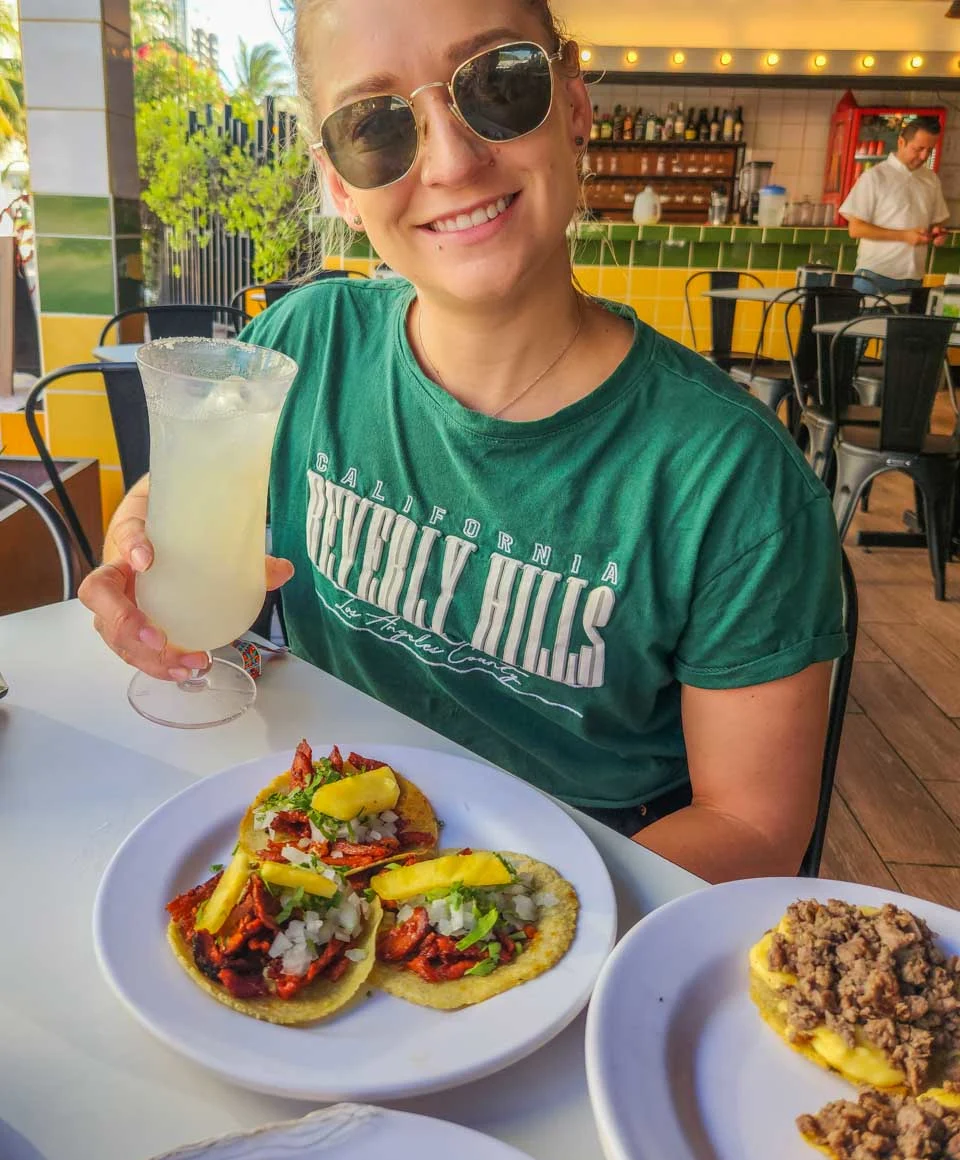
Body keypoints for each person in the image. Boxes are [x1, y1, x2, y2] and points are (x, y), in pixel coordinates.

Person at [78, 0, 845, 884]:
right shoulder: (304, 343)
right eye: (375, 125)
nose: (451, 161)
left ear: (574, 99)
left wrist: (472, 899)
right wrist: (139, 548)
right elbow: (187, 504)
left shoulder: (735, 481)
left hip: (588, 891)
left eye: (499, 84)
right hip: (316, 824)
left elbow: (753, 830)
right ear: (338, 183)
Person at [840, 115, 951, 298]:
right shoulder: (875, 177)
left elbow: (937, 220)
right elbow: (856, 229)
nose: (923, 156)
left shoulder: (931, 180)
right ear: (901, 142)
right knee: (868, 327)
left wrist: (938, 232)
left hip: (914, 277)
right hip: (875, 275)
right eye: (918, 149)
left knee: (906, 328)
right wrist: (904, 236)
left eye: (929, 151)